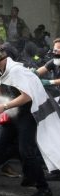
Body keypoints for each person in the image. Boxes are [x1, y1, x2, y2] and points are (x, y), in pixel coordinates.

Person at [0, 43, 53, 196]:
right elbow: (1, 90)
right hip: (12, 113)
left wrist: (4, 106)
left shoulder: (16, 71)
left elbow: (27, 96)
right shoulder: (1, 71)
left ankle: (44, 189)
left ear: (0, 55)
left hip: (27, 114)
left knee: (26, 152)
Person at [33, 38, 60, 181]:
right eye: (54, 49)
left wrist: (49, 82)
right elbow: (39, 71)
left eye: (58, 49)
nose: (55, 52)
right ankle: (56, 169)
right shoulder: (54, 61)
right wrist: (31, 74)